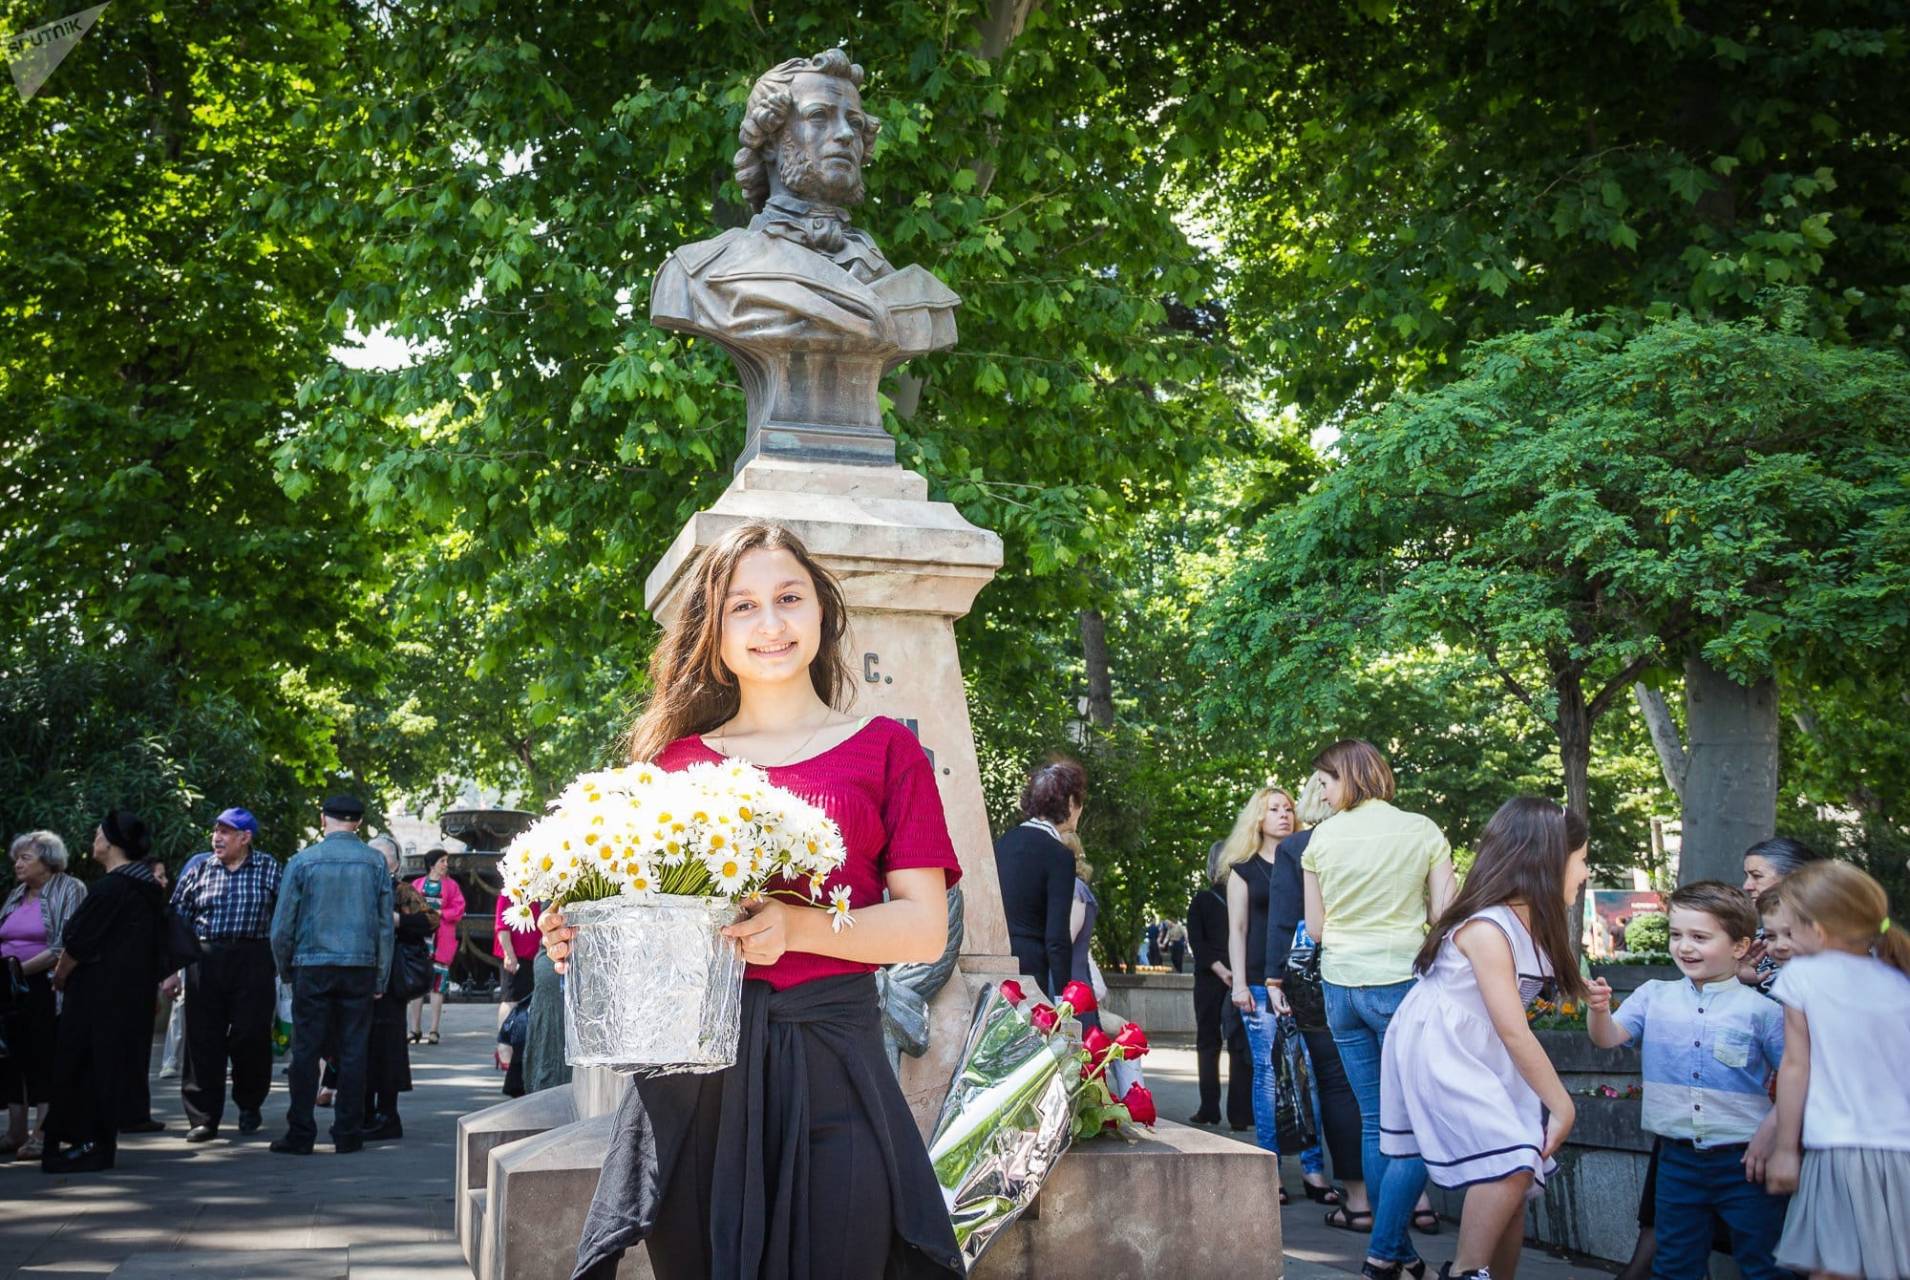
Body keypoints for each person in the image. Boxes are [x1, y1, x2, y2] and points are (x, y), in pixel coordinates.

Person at [538, 520, 963, 1279]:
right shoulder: (670, 765)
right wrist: (582, 936)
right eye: (743, 606)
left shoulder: (886, 750)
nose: (771, 624)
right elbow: (636, 925)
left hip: (835, 1068)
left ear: (823, 614)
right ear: (716, 632)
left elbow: (925, 929)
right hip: (693, 1085)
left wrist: (795, 928)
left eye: (789, 598)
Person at [1381, 798, 1590, 1280]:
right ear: (1549, 861)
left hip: (1482, 1053)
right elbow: (1512, 1027)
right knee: (1511, 1162)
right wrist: (1563, 1104)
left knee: (1516, 1180)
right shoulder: (1487, 927)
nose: (1585, 872)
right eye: (1581, 860)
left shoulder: (1526, 926)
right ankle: (1467, 1272)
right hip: (1447, 1050)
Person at [1302, 739, 1457, 1277]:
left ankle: (1396, 1251)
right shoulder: (1422, 831)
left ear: (1350, 777)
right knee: (1414, 1122)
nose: (1321, 792)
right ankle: (1384, 1253)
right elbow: (1444, 914)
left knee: (1376, 1120)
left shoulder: (1321, 838)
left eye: (1325, 781)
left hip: (1339, 986)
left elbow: (1316, 929)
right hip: (1399, 983)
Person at [1586, 881, 1789, 1280]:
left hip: (1746, 1161)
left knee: (1764, 1261)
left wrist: (1777, 1136)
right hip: (1677, 1161)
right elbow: (1607, 1038)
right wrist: (1598, 1011)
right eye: (1676, 935)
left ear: (1739, 946)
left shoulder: (1762, 1011)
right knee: (1675, 1264)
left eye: (1700, 937)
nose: (1685, 947)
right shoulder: (1653, 996)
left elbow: (1796, 1075)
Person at [1763, 861, 1910, 1280]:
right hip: (1902, 1152)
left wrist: (1786, 1150)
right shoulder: (1899, 978)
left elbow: (1795, 1067)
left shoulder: (1804, 977)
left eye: (1790, 931)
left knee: (1833, 1271)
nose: (1785, 942)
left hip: (1840, 1149)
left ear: (1819, 929)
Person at [40, 812, 168, 1173]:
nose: (93, 840)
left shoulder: (111, 888)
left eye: (98, 834)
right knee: (109, 1070)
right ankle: (98, 1143)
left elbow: (77, 941)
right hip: (129, 995)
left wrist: (61, 975)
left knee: (81, 1068)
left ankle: (85, 1144)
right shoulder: (146, 887)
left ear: (110, 842)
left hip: (95, 996)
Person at [1266, 773, 1369, 1215]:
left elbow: (1286, 920)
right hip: (1385, 968)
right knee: (1391, 1086)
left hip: (1317, 977)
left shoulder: (1296, 848)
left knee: (1335, 1085)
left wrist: (1273, 979)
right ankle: (1419, 1201)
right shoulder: (1376, 839)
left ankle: (1360, 1203)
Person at [269, 794, 392, 1156]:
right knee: (354, 1050)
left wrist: (285, 969)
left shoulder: (303, 861)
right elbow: (385, 927)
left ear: (323, 819)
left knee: (305, 1051)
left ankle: (300, 1132)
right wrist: (381, 977)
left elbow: (282, 926)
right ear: (358, 822)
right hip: (360, 966)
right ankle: (348, 1133)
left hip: (312, 964)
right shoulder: (375, 863)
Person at [1225, 786, 1332, 1194]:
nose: (1285, 815)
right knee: (1269, 1074)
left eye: (1288, 809)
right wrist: (1238, 984)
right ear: (1258, 818)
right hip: (1255, 979)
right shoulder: (1244, 869)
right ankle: (1270, 1167)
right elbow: (1237, 930)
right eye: (1274, 809)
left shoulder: (1307, 860)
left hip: (1303, 981)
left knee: (1309, 1073)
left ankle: (1313, 1168)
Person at [167, 806, 280, 1143]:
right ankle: (203, 1117)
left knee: (251, 1034)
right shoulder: (199, 868)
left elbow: (288, 911)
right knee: (202, 1038)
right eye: (215, 831)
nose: (217, 837)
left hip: (253, 957)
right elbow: (177, 917)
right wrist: (171, 970)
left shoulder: (268, 867)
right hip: (205, 957)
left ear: (245, 838)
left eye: (226, 832)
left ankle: (249, 1103)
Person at [1, 831, 86, 1162]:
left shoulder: (69, 888)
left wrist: (18, 970)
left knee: (42, 1059)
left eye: (25, 857)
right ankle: (15, 1131)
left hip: (46, 985)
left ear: (48, 860)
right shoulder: (16, 894)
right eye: (16, 858)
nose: (17, 864)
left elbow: (63, 945)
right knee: (12, 1061)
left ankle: (44, 1132)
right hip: (10, 989)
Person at [995, 758, 1086, 1002]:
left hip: (995, 964)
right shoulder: (1059, 855)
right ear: (1070, 803)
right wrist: (1063, 995)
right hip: (1031, 972)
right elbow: (1057, 937)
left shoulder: (1001, 844)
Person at [366, 835, 429, 1141]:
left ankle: (387, 1114)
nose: (375, 862)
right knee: (358, 1047)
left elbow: (430, 920)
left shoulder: (402, 890)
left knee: (389, 1048)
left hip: (391, 983)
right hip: (360, 979)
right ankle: (362, 1111)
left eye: (381, 857)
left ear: (394, 862)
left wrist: (398, 921)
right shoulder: (359, 885)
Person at [1187, 842, 1254, 1130]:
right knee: (1239, 1046)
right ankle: (1241, 1114)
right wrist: (1234, 973)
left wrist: (1220, 970)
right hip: (1240, 976)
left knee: (1208, 1044)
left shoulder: (1201, 900)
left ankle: (1209, 1107)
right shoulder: (1246, 896)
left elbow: (1197, 944)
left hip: (1209, 980)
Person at [1738, 837, 1823, 991]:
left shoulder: (1844, 946)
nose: (1747, 886)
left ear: (1795, 877)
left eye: (1757, 876)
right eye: (1771, 936)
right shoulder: (1750, 947)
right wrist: (1731, 979)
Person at [408, 847, 465, 1045]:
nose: (445, 865)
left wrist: (442, 913)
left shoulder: (452, 886)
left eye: (446, 861)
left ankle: (433, 1030)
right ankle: (414, 1029)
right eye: (442, 861)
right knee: (415, 986)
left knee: (438, 986)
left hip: (441, 941)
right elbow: (408, 907)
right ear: (432, 864)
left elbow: (459, 908)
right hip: (420, 940)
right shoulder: (416, 884)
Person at [494, 888, 541, 1054]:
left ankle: (522, 1046)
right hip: (515, 956)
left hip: (534, 956)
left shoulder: (537, 891)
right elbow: (502, 926)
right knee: (510, 1000)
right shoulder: (509, 892)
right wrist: (509, 954)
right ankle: (504, 1048)